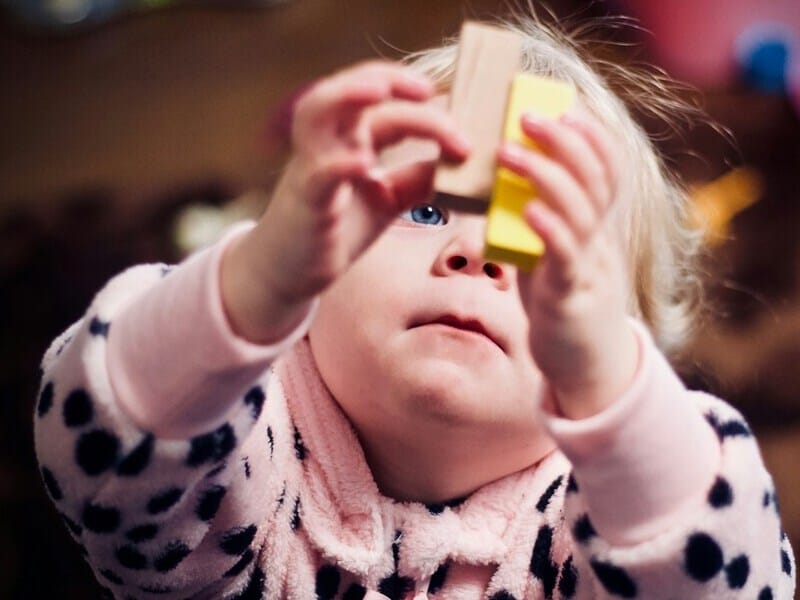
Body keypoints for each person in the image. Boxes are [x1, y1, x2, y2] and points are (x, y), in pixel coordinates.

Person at [33, 10, 795, 600]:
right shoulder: (242, 449)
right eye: (425, 211)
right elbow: (104, 445)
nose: (476, 254)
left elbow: (722, 579)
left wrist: (617, 400)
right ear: (315, 275)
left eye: (539, 245)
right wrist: (257, 282)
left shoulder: (599, 521)